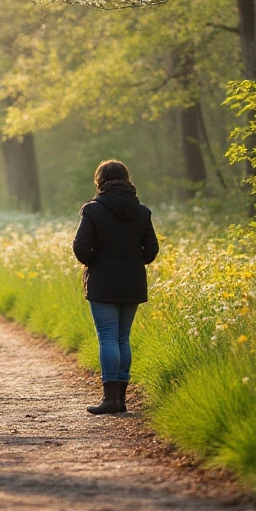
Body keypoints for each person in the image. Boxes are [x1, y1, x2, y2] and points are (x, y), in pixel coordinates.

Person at [72, 159, 159, 414]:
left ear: (100, 181)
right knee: (122, 337)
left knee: (108, 337)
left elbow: (80, 246)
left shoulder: (92, 210)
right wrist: (133, 262)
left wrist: (94, 262)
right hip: (132, 282)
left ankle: (110, 399)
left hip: (103, 282)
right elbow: (152, 250)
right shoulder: (142, 211)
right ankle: (120, 400)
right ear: (127, 179)